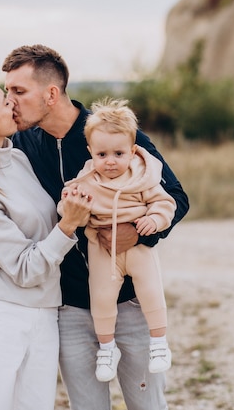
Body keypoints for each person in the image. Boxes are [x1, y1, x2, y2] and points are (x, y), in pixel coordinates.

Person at [0, 45, 189, 410]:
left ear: (51, 94)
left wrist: (139, 231)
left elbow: (176, 196)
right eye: (7, 93)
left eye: (18, 92)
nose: (11, 102)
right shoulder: (17, 148)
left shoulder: (111, 134)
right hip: (69, 309)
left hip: (130, 302)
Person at [0, 77, 93, 410]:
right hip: (1, 318)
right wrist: (68, 225)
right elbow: (25, 269)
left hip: (45, 313)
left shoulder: (17, 157)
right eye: (3, 101)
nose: (11, 102)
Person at [58, 98, 176, 382]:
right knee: (101, 296)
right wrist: (71, 205)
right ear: (91, 153)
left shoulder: (142, 176)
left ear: (133, 151)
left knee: (150, 289)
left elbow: (166, 202)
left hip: (138, 244)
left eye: (118, 154)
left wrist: (154, 221)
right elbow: (68, 208)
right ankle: (107, 348)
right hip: (101, 249)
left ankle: (159, 342)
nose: (110, 161)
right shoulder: (86, 180)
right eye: (102, 155)